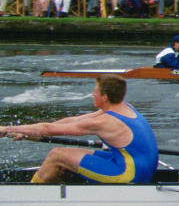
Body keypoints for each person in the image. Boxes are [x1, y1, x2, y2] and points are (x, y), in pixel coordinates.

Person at [3, 75, 158, 184]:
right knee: (65, 154)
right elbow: (74, 121)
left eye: (95, 91)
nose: (92, 94)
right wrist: (25, 131)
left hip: (129, 174)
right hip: (141, 167)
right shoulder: (125, 107)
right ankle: (54, 186)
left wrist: (5, 129)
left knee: (57, 155)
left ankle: (31, 194)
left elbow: (47, 129)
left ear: (104, 97)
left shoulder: (106, 122)